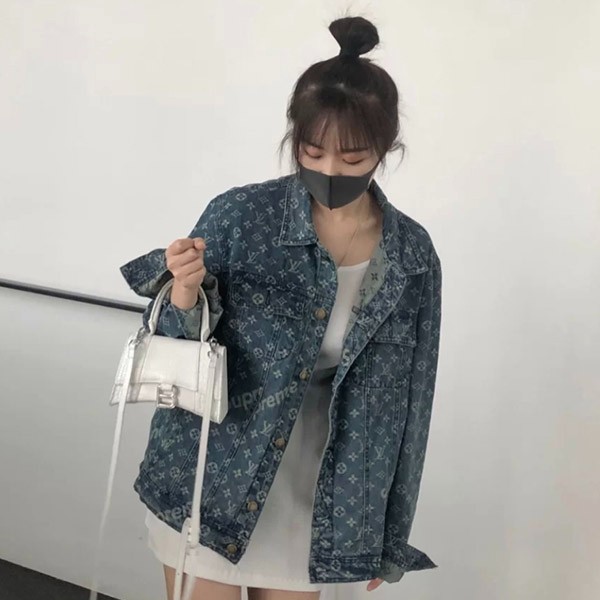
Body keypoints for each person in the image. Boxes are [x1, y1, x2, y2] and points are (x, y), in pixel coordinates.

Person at [120, 15, 443, 600]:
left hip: (322, 500)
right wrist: (185, 292)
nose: (329, 171)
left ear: (385, 149)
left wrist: (389, 535)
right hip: (212, 477)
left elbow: (413, 403)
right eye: (312, 152)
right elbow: (177, 347)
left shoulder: (411, 256)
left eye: (352, 159)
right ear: (295, 140)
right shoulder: (240, 216)